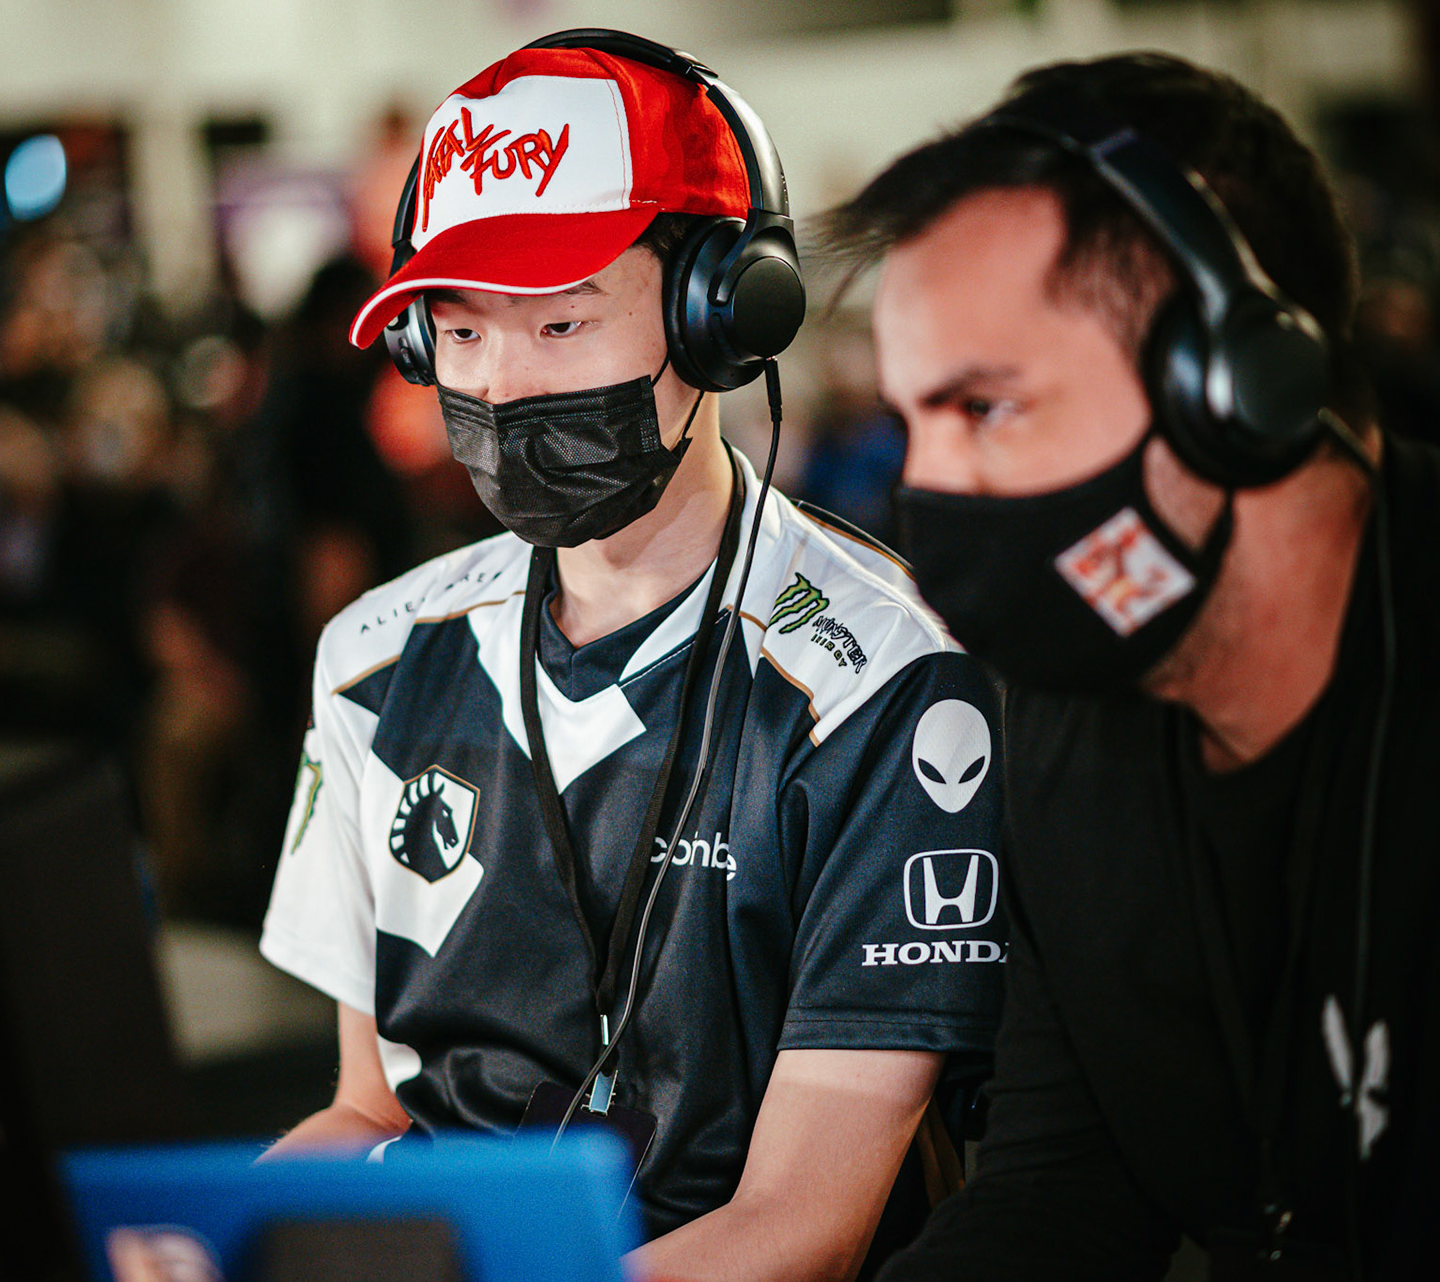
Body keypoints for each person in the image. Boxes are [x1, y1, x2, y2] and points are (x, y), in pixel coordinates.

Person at [825, 53, 1440, 1279]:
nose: (927, 487)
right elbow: (1057, 1186)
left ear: (1237, 387)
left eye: (986, 409)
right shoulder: (1061, 722)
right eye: (909, 421)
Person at [258, 31, 1005, 1279]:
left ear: (725, 314)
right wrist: (219, 1239)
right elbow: (370, 1110)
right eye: (461, 332)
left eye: (560, 323)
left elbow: (804, 1228)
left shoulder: (885, 683)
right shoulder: (373, 662)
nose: (501, 385)